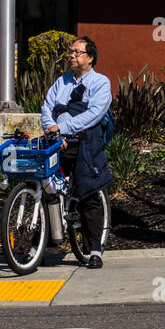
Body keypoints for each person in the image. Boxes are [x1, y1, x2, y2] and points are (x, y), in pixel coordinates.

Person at [41, 36, 112, 269]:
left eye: (77, 52)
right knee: (43, 189)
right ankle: (38, 245)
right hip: (58, 143)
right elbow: (47, 109)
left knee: (89, 194)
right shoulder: (61, 82)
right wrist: (54, 133)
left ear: (90, 58)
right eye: (70, 51)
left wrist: (62, 128)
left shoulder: (101, 83)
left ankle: (94, 250)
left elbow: (93, 114)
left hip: (85, 144)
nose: (71, 55)